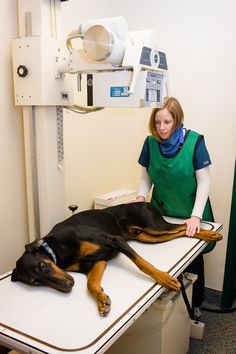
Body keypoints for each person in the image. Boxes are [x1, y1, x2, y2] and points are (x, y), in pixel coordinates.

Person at [136, 96, 215, 319]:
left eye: (167, 122)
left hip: (191, 212)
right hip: (162, 210)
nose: (162, 128)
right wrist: (141, 196)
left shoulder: (195, 142)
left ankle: (195, 303)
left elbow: (204, 181)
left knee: (193, 258)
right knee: (162, 253)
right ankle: (162, 303)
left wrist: (196, 216)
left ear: (177, 120)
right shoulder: (150, 143)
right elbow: (145, 178)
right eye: (158, 122)